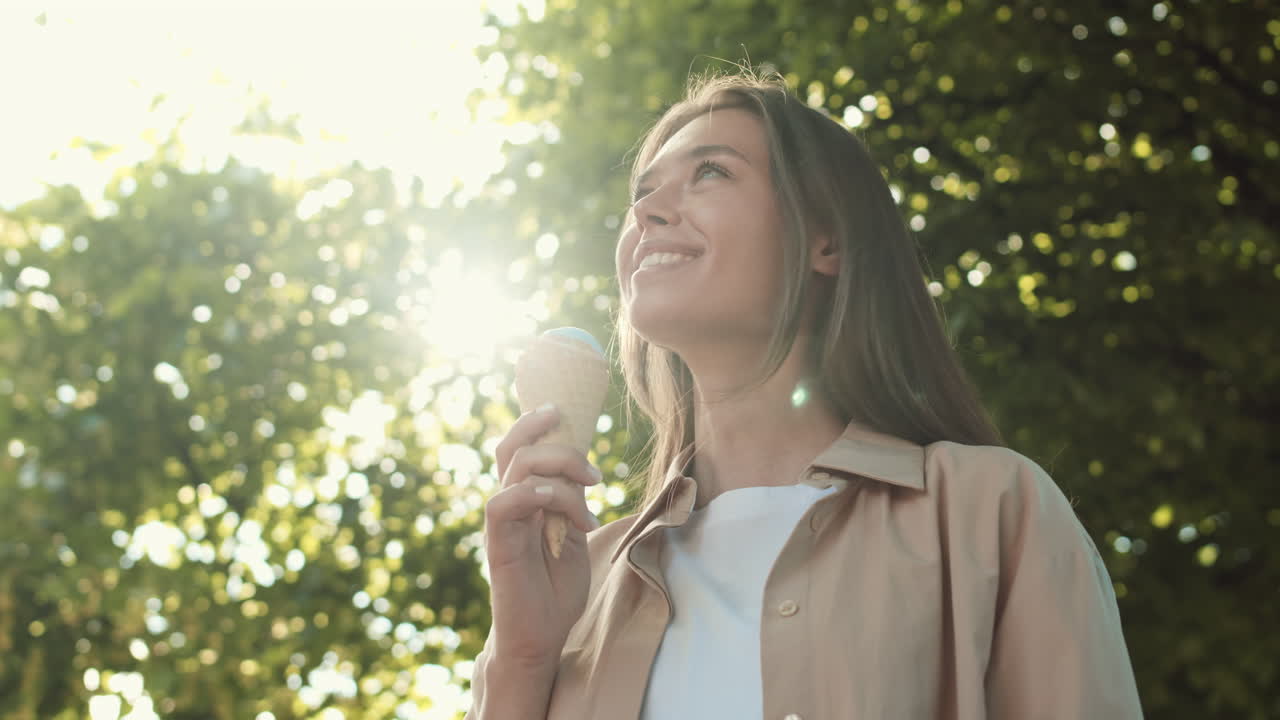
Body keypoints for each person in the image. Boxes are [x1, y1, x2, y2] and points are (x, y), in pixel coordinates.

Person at [465, 66, 1144, 719]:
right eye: (641, 192)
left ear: (828, 241)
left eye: (710, 171)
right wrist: (523, 657)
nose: (645, 209)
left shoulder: (990, 511)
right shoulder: (577, 579)